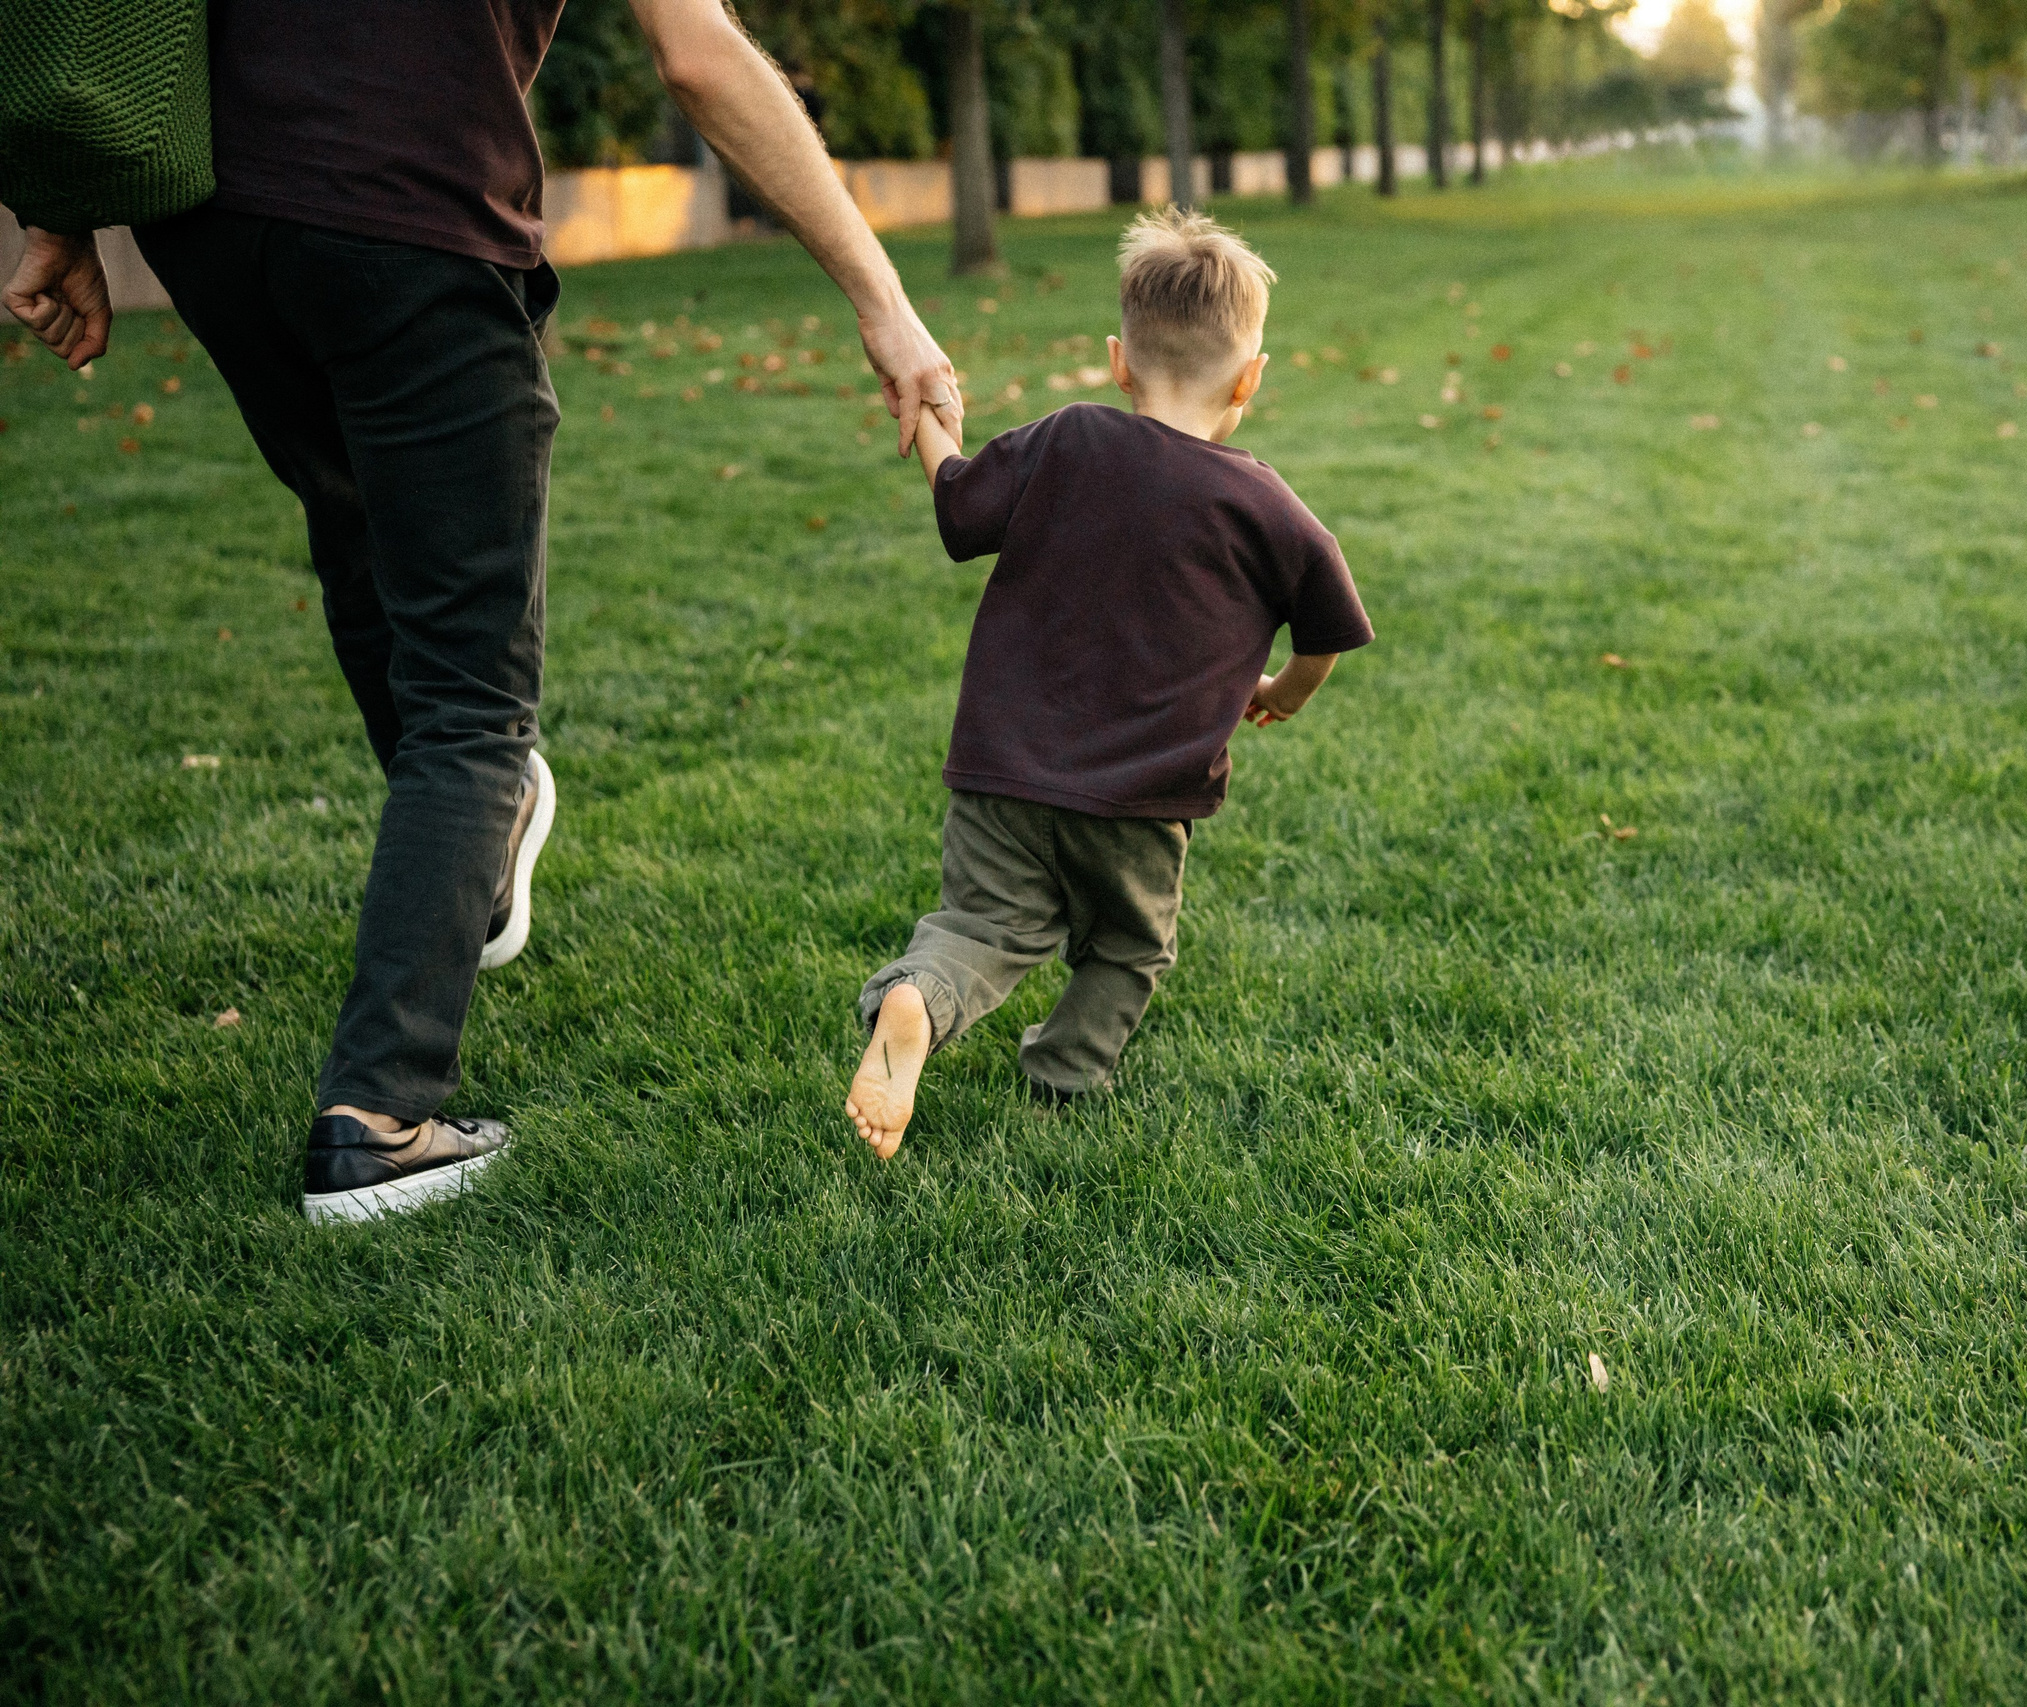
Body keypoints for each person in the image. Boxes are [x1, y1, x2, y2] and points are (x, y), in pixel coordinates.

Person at [1, 0, 961, 1223]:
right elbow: (697, 50)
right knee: (470, 692)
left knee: (362, 545)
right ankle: (379, 1117)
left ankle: (479, 859)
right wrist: (883, 300)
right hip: (413, 205)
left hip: (217, 228)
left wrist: (62, 210)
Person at [844, 210, 1373, 1159]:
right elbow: (1329, 622)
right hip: (1140, 798)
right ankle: (1065, 1073)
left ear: (1118, 362)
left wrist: (930, 421)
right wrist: (1286, 689)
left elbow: (960, 508)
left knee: (981, 924)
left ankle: (918, 996)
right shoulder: (1265, 504)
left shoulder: (1064, 440)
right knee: (1127, 949)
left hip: (1002, 771)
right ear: (1250, 379)